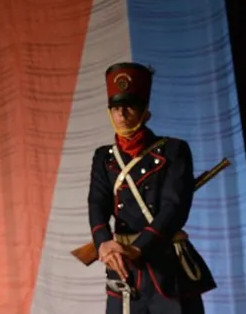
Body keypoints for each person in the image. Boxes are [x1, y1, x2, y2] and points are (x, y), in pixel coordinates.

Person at [87, 63, 216, 314]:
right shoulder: (103, 157)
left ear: (145, 111)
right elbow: (97, 203)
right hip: (121, 264)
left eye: (129, 106)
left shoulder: (174, 150)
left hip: (165, 263)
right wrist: (103, 243)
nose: (122, 114)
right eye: (115, 108)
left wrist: (139, 248)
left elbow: (173, 208)